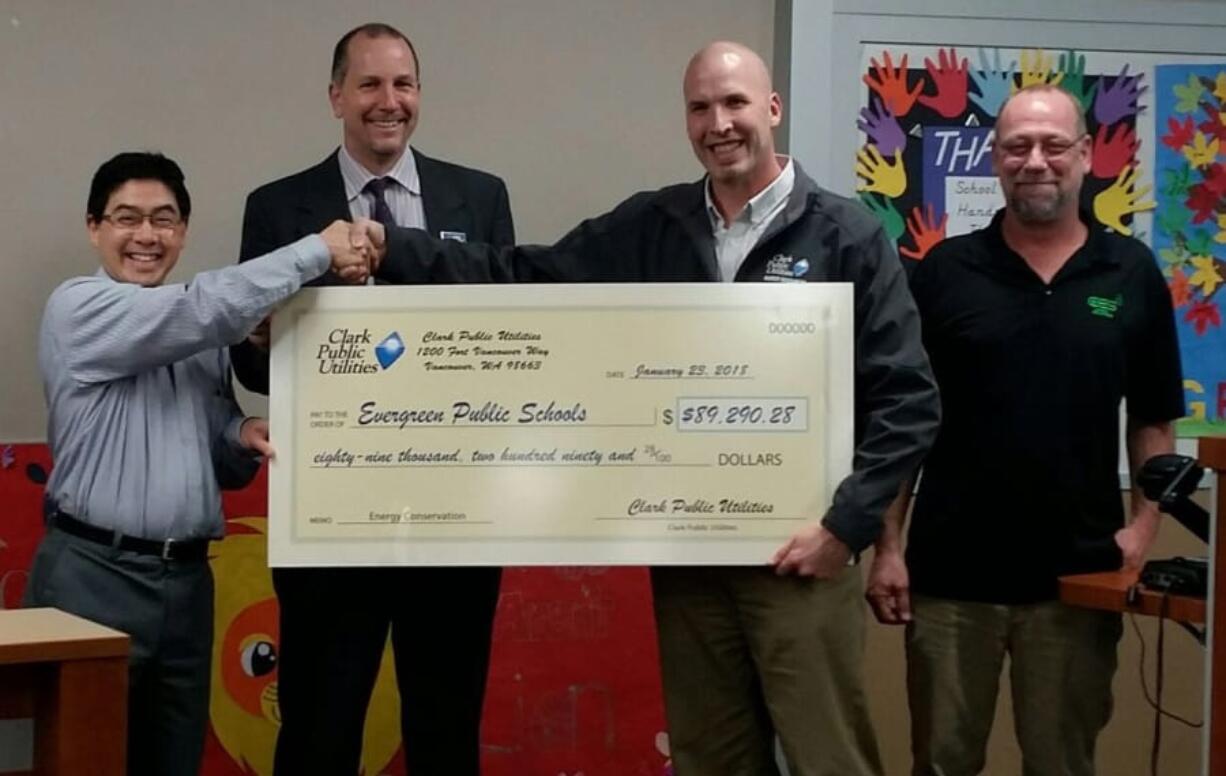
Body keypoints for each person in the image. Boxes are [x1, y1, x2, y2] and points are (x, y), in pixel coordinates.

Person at [367, 41, 940, 776]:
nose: (718, 123)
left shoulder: (847, 235)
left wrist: (844, 528)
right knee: (710, 758)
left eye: (734, 103)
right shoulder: (653, 227)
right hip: (690, 562)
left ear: (772, 108)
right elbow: (524, 274)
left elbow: (909, 399)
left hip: (803, 561)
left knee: (829, 760)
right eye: (700, 107)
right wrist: (393, 249)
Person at [865, 85, 1184, 776]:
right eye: (1017, 146)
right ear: (995, 159)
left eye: (1052, 145)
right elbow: (902, 421)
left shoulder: (1128, 272)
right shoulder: (945, 273)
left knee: (1061, 763)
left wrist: (1142, 530)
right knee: (943, 763)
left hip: (1076, 576)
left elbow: (1154, 419)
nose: (1035, 161)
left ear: (1086, 155)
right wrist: (888, 545)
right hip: (951, 579)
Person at [23, 151, 375, 776]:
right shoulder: (77, 307)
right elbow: (201, 309)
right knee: (83, 759)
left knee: (173, 761)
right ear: (94, 227)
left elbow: (216, 443)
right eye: (127, 218)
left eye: (164, 219)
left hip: (186, 585)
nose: (146, 236)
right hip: (90, 576)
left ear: (183, 231)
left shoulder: (198, 337)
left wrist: (242, 433)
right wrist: (316, 250)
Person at [228, 22, 514, 776]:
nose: (389, 102)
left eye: (404, 84)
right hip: (328, 521)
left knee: (446, 735)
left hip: (453, 520)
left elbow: (510, 338)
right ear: (335, 97)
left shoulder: (480, 199)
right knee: (319, 735)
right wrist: (258, 337)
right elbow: (251, 370)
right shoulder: (278, 207)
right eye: (370, 85)